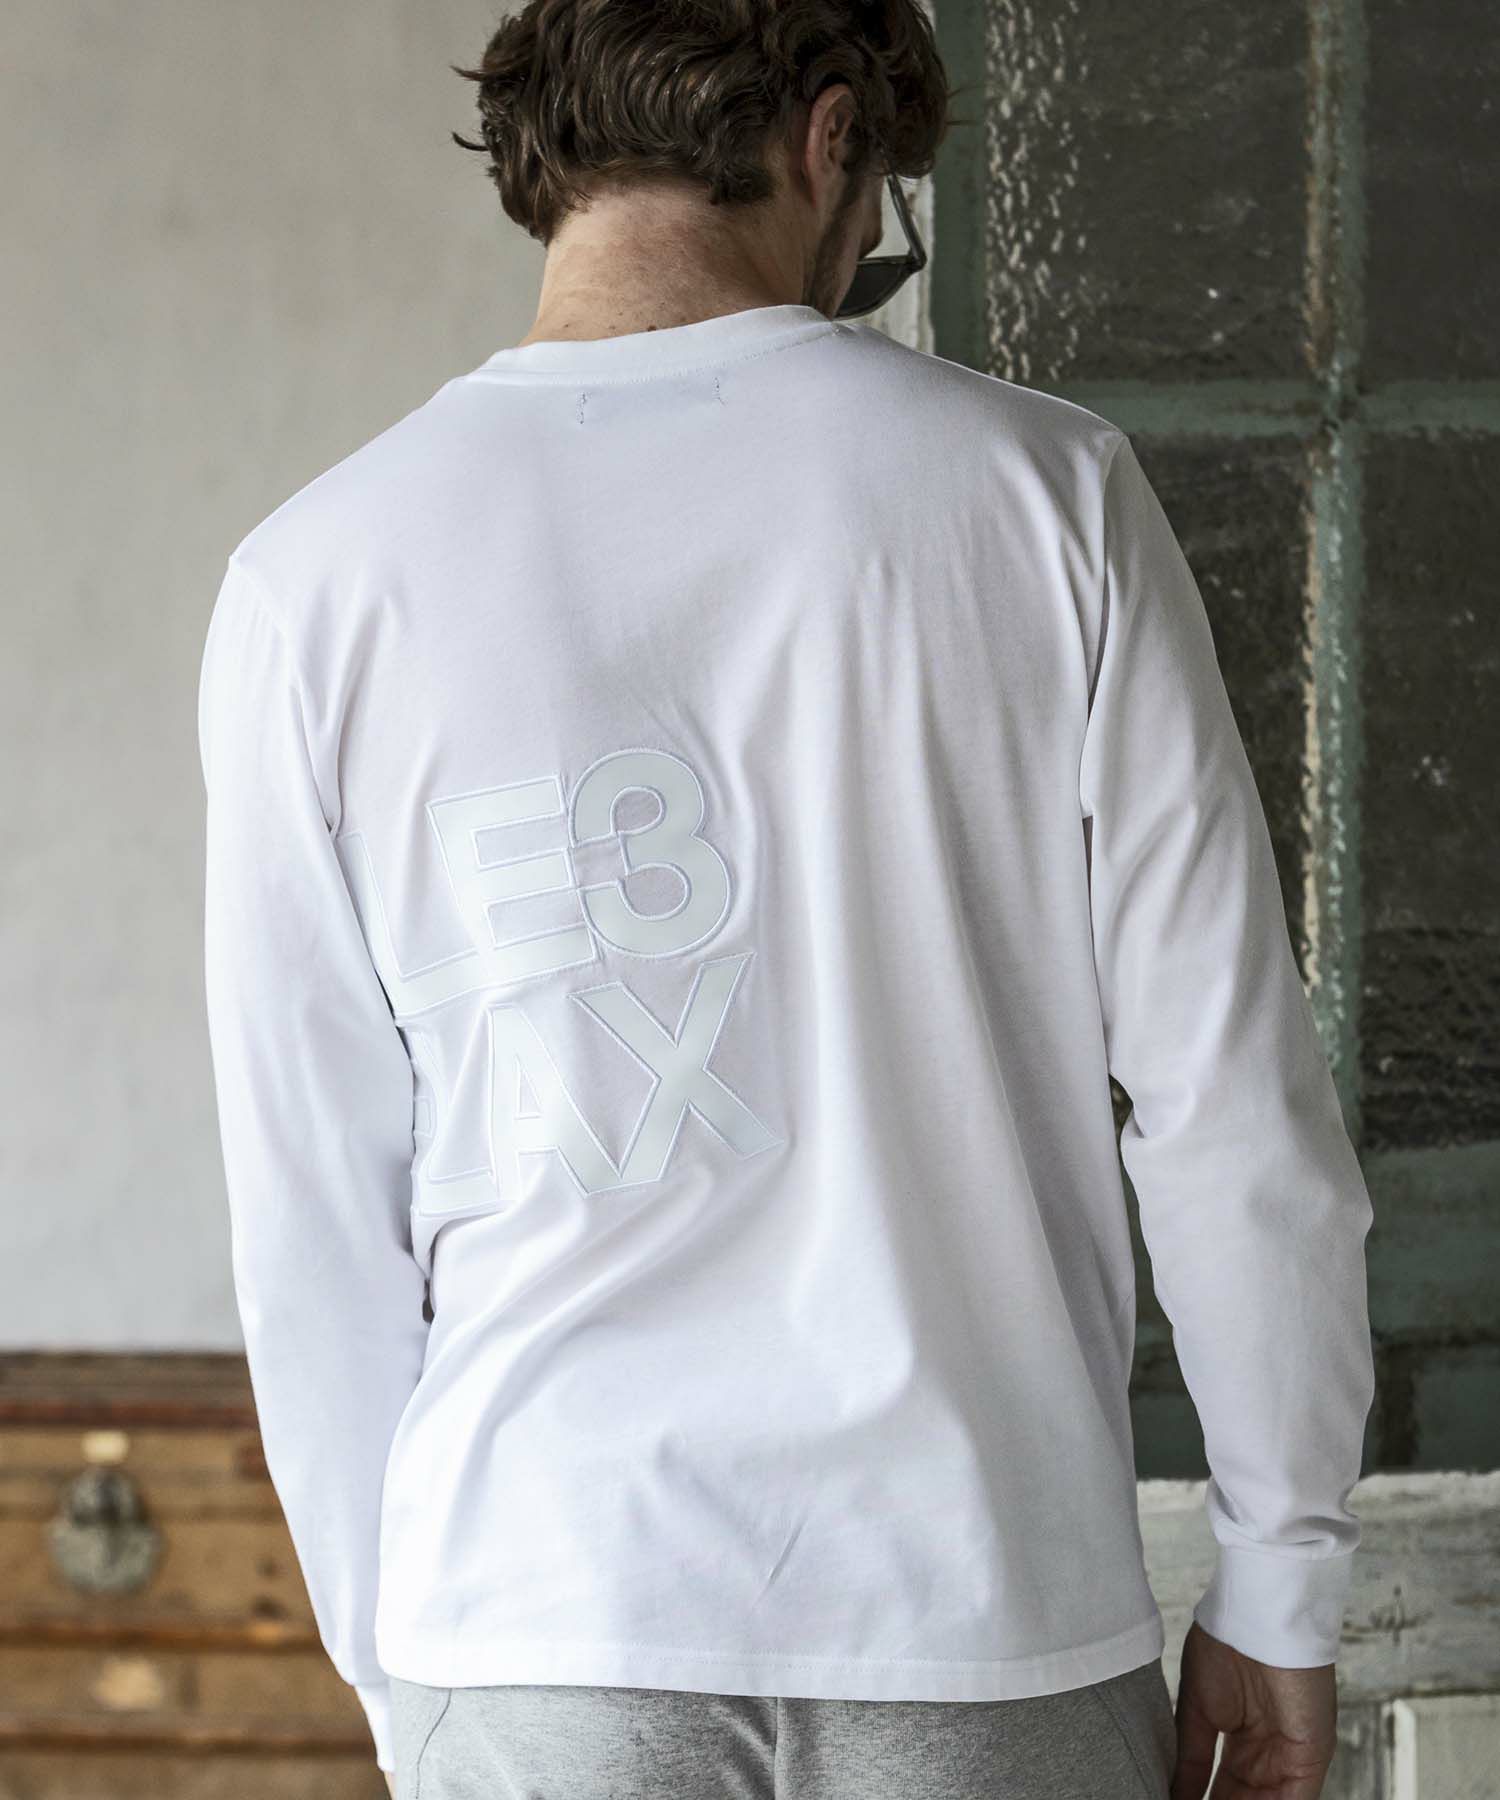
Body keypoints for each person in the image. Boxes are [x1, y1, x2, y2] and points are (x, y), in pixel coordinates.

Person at [195, 3, 1376, 1797]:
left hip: (539, 1614)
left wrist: (408, 1675)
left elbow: (313, 1217)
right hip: (984, 1613)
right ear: (830, 140)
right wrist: (1281, 1583)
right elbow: (1228, 1107)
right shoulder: (1046, 496)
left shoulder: (315, 584)